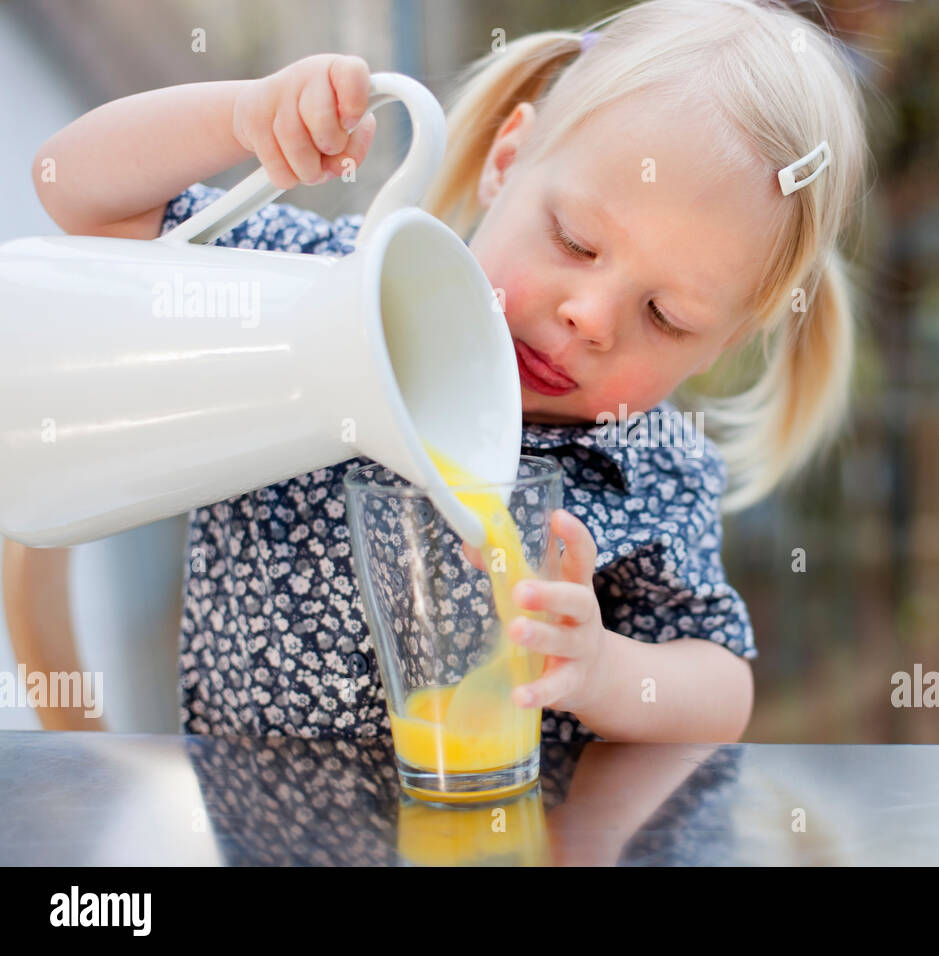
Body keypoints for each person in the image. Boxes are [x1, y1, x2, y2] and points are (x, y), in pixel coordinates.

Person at [31, 0, 867, 745]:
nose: (592, 316)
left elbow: (722, 687)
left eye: (666, 317)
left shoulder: (649, 468)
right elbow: (74, 191)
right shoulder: (326, 291)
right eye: (575, 241)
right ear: (509, 158)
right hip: (255, 828)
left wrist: (607, 671)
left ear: (722, 343)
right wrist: (246, 116)